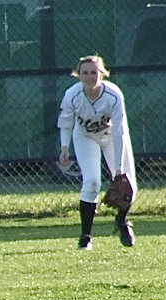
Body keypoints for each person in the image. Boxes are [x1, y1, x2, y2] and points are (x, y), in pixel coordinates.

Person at [58, 54, 137, 249]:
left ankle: (122, 221)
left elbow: (119, 131)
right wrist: (64, 148)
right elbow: (66, 122)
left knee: (127, 184)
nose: (90, 77)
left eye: (94, 72)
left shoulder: (113, 94)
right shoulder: (72, 95)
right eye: (85, 73)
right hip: (85, 137)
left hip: (112, 136)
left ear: (102, 74)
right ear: (78, 74)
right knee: (92, 182)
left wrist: (118, 170)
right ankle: (85, 237)